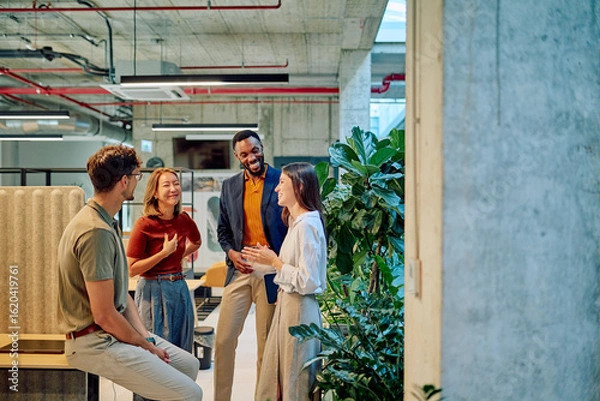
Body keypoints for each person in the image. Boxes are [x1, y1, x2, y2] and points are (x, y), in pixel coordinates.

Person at [57, 145, 203, 401]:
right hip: (95, 342)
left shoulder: (105, 221)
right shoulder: (95, 231)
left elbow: (121, 295)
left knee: (188, 365)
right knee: (190, 393)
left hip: (108, 332)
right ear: (124, 181)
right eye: (137, 175)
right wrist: (143, 345)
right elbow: (104, 315)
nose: (138, 181)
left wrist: (145, 336)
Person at [242, 162, 327, 401]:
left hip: (299, 310)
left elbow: (308, 280)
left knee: (295, 380)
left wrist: (276, 263)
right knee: (282, 376)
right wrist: (267, 261)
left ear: (299, 187)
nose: (277, 189)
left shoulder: (307, 225)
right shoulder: (297, 223)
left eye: (282, 183)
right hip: (289, 306)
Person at [215, 130, 288, 401]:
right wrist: (231, 253)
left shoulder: (282, 179)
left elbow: (292, 226)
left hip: (270, 272)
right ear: (237, 157)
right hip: (241, 269)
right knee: (223, 341)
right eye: (244, 154)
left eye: (254, 150)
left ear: (262, 147)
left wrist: (281, 264)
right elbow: (223, 231)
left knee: (265, 347)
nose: (252, 157)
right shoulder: (230, 186)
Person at [127, 167, 202, 353]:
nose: (173, 188)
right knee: (156, 349)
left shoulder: (184, 219)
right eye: (166, 185)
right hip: (152, 290)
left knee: (182, 347)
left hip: (179, 287)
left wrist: (177, 254)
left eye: (176, 184)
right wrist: (164, 254)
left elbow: (197, 242)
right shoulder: (144, 224)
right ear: (155, 193)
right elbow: (131, 269)